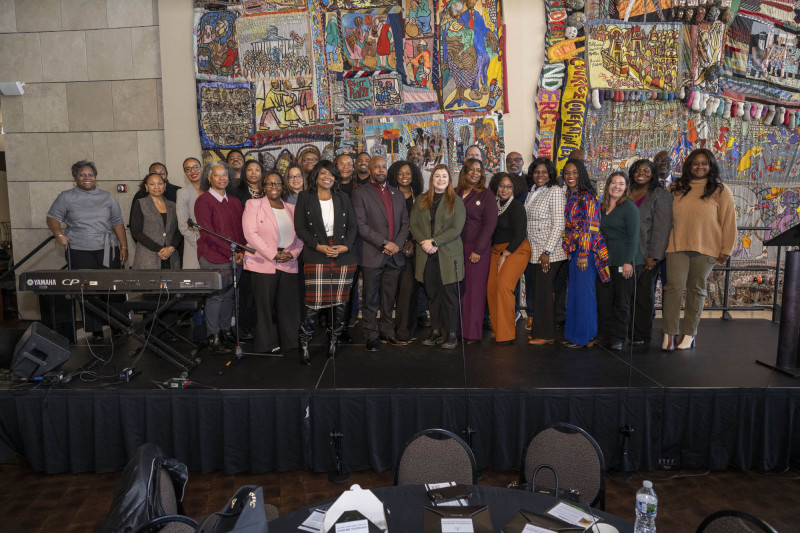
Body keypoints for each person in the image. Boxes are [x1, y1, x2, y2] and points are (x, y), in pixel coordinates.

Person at [662, 149, 736, 351]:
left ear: (711, 166)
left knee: (696, 290)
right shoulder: (674, 188)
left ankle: (688, 334)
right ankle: (669, 334)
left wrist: (726, 249)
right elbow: (663, 218)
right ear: (689, 165)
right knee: (673, 288)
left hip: (707, 248)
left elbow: (729, 222)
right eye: (696, 163)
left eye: (704, 163)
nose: (700, 167)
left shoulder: (720, 190)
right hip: (676, 246)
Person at [46, 160, 128, 340]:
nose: (87, 178)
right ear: (75, 177)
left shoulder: (107, 197)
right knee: (89, 290)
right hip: (80, 249)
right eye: (82, 175)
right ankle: (95, 329)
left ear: (95, 177)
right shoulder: (66, 197)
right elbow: (52, 218)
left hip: (108, 248)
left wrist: (123, 246)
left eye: (90, 174)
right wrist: (59, 234)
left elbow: (117, 222)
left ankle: (118, 325)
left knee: (113, 287)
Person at [294, 161, 358, 364]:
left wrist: (345, 246)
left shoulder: (343, 197)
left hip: (342, 255)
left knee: (340, 303)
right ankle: (304, 341)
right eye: (323, 173)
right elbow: (300, 228)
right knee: (313, 303)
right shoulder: (305, 197)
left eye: (331, 174)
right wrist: (318, 246)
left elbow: (353, 227)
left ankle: (334, 340)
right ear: (316, 176)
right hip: (317, 253)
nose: (327, 177)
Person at [242, 170, 303, 355]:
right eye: (269, 183)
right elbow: (250, 234)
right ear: (264, 187)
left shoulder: (292, 209)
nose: (273, 186)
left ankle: (291, 342)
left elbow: (300, 237)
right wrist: (273, 254)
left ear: (283, 187)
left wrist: (292, 254)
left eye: (277, 183)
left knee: (289, 306)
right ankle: (266, 344)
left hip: (288, 261)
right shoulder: (253, 204)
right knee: (264, 307)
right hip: (263, 261)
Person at [352, 156, 410, 351]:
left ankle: (387, 330)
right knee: (370, 297)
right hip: (372, 253)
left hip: (394, 255)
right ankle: (371, 334)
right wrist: (385, 243)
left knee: (389, 297)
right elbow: (360, 225)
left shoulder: (397, 193)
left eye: (383, 167)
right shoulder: (360, 193)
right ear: (370, 170)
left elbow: (405, 223)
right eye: (376, 167)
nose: (380, 170)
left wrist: (396, 245)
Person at [410, 165, 466, 349]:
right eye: (437, 176)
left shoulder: (456, 201)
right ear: (432, 179)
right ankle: (436, 330)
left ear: (449, 180)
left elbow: (456, 229)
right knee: (432, 295)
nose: (440, 179)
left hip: (448, 255)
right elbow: (414, 225)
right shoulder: (421, 199)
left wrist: (434, 242)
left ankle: (451, 334)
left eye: (444, 176)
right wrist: (424, 243)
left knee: (450, 296)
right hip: (426, 255)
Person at [194, 161, 246, 355]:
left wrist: (241, 251)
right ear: (209, 178)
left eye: (225, 175)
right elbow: (208, 234)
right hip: (213, 256)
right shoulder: (203, 201)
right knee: (215, 297)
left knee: (229, 295)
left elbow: (240, 230)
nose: (222, 178)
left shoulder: (234, 201)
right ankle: (213, 335)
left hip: (235, 256)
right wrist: (231, 252)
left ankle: (225, 330)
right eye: (217, 175)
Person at [561, 159, 610, 348]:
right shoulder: (569, 194)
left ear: (581, 173)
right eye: (567, 173)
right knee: (574, 293)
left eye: (574, 172)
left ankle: (584, 337)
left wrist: (583, 254)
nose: (570, 176)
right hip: (573, 250)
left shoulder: (587, 196)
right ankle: (573, 334)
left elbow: (590, 227)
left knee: (584, 295)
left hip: (586, 251)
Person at [627, 159, 672, 346]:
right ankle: (627, 330)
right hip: (626, 254)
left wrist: (653, 256)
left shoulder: (660, 194)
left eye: (646, 170)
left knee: (643, 295)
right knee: (627, 295)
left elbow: (662, 228)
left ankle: (640, 334)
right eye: (638, 170)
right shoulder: (626, 191)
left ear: (653, 174)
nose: (641, 173)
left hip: (646, 255)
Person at [596, 171, 642, 351]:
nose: (617, 186)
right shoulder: (602, 206)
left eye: (621, 183)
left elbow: (634, 237)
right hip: (605, 262)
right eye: (613, 182)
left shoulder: (629, 207)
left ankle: (617, 338)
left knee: (621, 302)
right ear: (608, 185)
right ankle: (604, 335)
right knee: (604, 301)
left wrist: (628, 261)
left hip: (625, 261)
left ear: (626, 187)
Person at [523, 157, 566, 345]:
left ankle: (546, 334)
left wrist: (547, 252)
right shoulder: (533, 190)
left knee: (544, 293)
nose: (540, 175)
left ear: (550, 174)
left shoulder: (555, 191)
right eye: (536, 172)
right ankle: (538, 331)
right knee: (539, 292)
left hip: (550, 252)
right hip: (534, 250)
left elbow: (559, 224)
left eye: (544, 172)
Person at [456, 158, 498, 343]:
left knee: (474, 291)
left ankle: (472, 333)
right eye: (471, 169)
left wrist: (479, 250)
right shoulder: (455, 192)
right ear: (464, 172)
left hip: (476, 249)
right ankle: (457, 330)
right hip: (455, 248)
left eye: (478, 170)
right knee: (459, 290)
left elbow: (490, 224)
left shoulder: (486, 195)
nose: (475, 173)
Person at [487, 173, 531, 345]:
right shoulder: (494, 204)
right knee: (491, 288)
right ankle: (498, 329)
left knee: (503, 287)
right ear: (496, 187)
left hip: (516, 249)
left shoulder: (516, 207)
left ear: (515, 189)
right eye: (501, 186)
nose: (504, 189)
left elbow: (520, 235)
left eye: (508, 186)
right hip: (496, 250)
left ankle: (506, 334)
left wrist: (504, 255)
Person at [388, 160, 425, 342]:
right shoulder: (390, 195)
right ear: (395, 175)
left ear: (414, 176)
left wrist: (412, 241)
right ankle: (400, 329)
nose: (404, 176)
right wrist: (400, 243)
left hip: (417, 249)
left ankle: (408, 328)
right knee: (401, 290)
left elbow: (424, 224)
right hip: (394, 248)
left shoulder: (420, 197)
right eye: (400, 173)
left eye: (408, 173)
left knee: (411, 289)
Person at [130, 172, 181, 269]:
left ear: (164, 185)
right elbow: (136, 232)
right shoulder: (140, 203)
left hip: (171, 257)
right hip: (147, 258)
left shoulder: (173, 205)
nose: (156, 187)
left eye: (160, 183)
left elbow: (179, 230)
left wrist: (171, 248)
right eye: (152, 184)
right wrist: (159, 249)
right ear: (146, 186)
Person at [176, 157, 203, 269]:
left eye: (196, 167)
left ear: (201, 168)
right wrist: (199, 244)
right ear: (185, 173)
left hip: (216, 245)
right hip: (194, 245)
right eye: (188, 169)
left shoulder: (213, 189)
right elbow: (183, 225)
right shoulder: (182, 193)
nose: (193, 171)